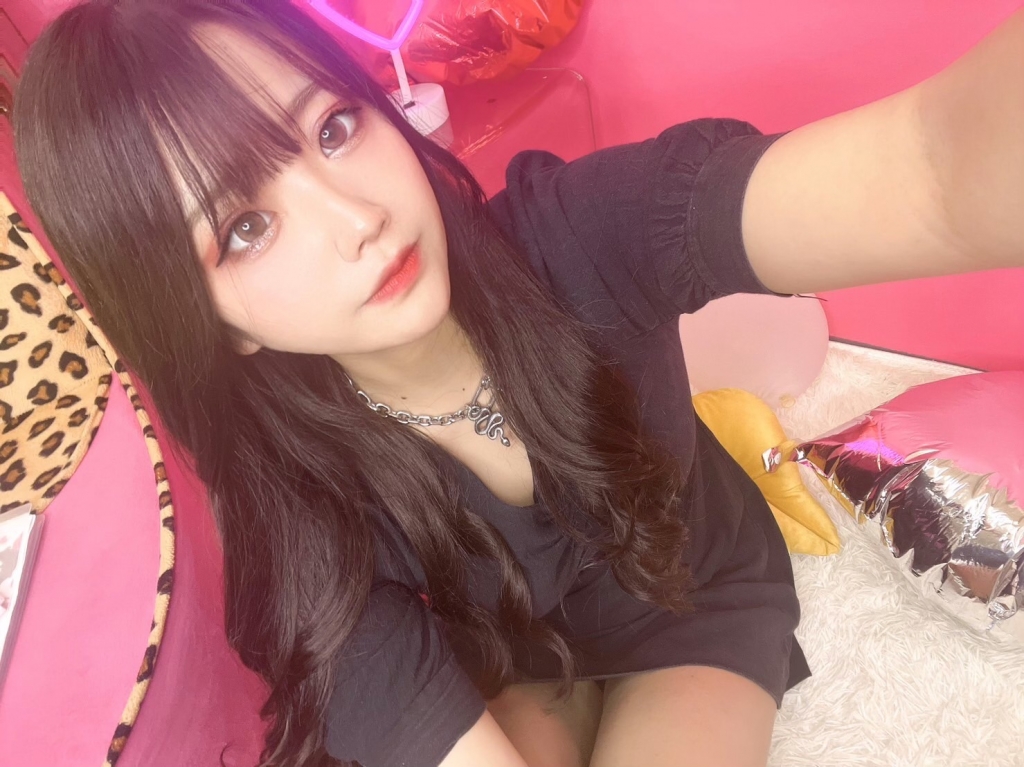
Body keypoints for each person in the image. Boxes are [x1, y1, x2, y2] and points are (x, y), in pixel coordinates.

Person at [11, 2, 1023, 766]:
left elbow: (933, 173)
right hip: (502, 651)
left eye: (333, 128)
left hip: (692, 591)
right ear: (211, 323)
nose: (355, 217)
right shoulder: (296, 511)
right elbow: (370, 678)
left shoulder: (581, 238)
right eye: (245, 227)